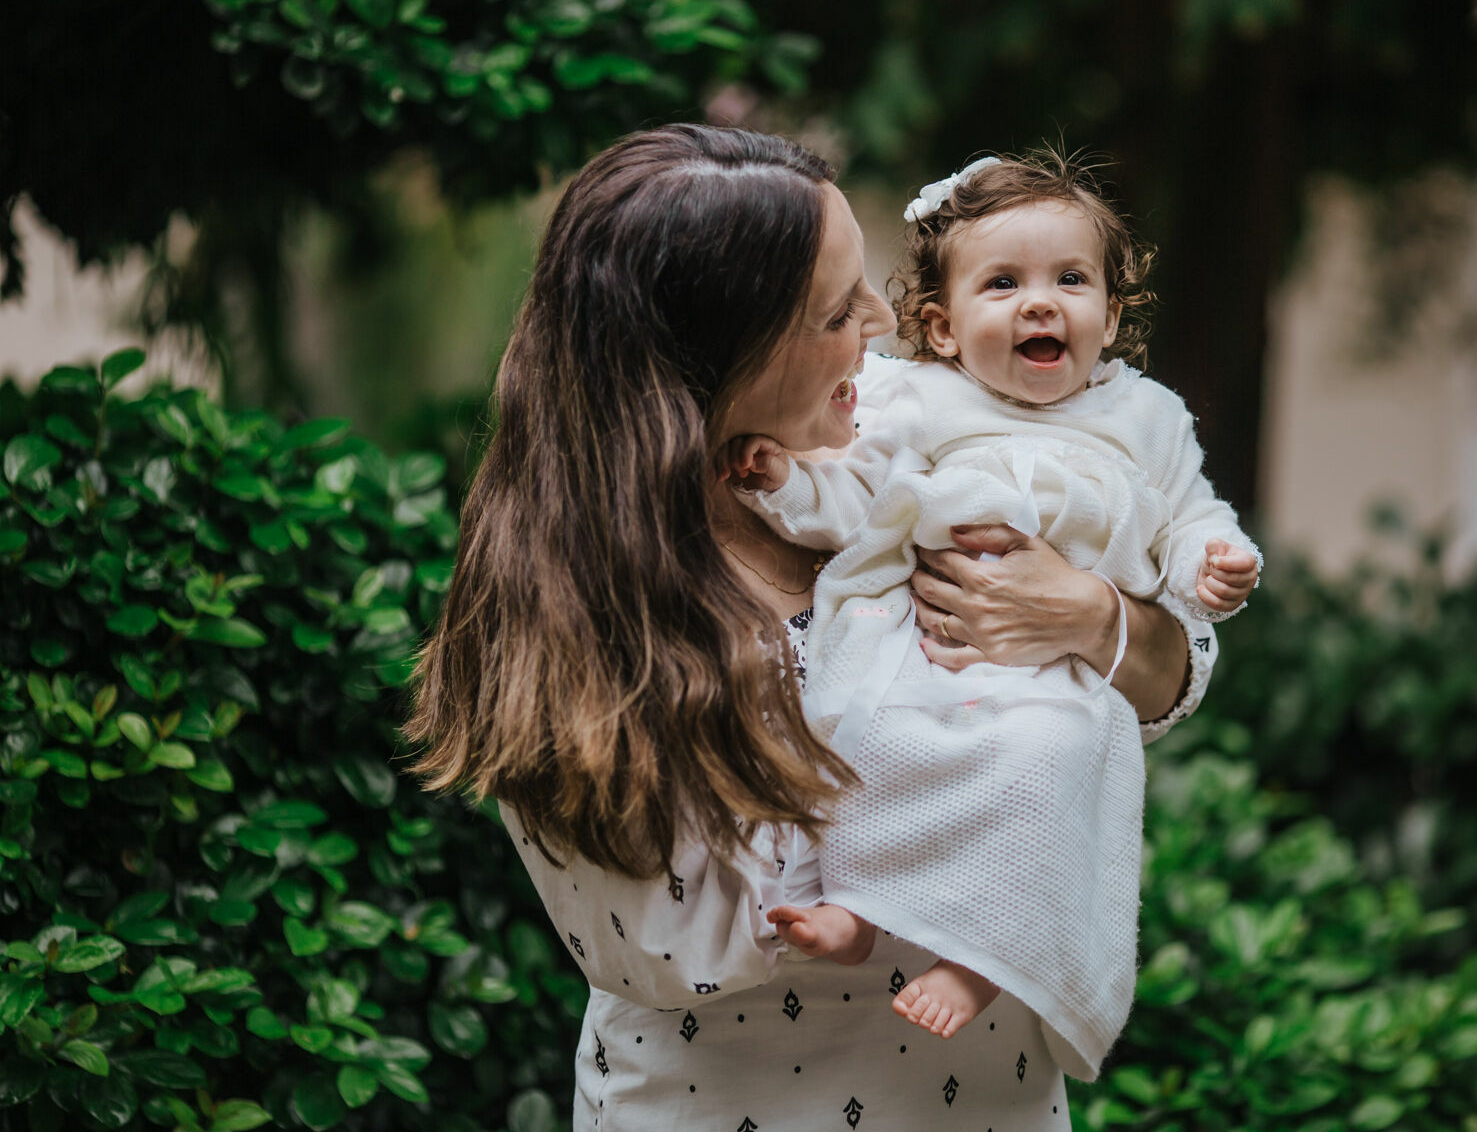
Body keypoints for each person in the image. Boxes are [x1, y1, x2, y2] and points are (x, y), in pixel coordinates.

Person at [402, 124, 1218, 1130]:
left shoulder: (903, 447)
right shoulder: (574, 596)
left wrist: (1094, 622)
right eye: (837, 310)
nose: (884, 321)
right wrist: (970, 788)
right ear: (720, 352)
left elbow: (1171, 674)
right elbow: (675, 947)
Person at [723, 151, 1259, 1079]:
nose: (1040, 303)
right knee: (864, 734)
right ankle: (855, 904)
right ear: (940, 326)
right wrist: (785, 482)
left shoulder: (1148, 417)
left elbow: (1188, 512)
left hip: (1054, 677)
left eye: (1071, 280)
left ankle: (980, 953)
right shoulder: (917, 396)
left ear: (1114, 315)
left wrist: (1214, 559)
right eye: (1003, 283)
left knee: (1047, 762)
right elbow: (855, 488)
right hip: (921, 645)